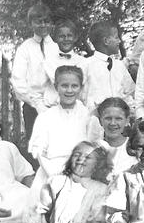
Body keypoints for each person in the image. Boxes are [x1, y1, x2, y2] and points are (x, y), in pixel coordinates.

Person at [27, 65, 94, 202]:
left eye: (74, 86)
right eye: (64, 86)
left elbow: (94, 147)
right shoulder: (46, 117)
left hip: (81, 171)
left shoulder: (87, 116)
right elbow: (39, 152)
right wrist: (54, 175)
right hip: (52, 172)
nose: (69, 90)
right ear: (56, 87)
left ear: (81, 88)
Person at [10, 3, 58, 136]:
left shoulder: (57, 47)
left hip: (56, 105)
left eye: (46, 21)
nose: (43, 25)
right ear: (31, 24)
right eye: (38, 22)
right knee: (37, 147)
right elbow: (18, 80)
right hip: (33, 106)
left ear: (51, 23)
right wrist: (36, 103)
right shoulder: (25, 48)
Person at [84, 20, 135, 113]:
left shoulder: (119, 66)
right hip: (95, 118)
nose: (119, 41)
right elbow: (81, 95)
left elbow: (130, 91)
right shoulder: (86, 65)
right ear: (106, 41)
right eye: (116, 37)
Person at [86, 97, 137, 183]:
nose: (113, 123)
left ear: (127, 121)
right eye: (108, 118)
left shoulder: (134, 147)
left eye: (118, 118)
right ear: (100, 121)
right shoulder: (93, 149)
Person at [43, 19, 89, 107]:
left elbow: (84, 89)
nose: (66, 39)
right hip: (53, 108)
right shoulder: (48, 62)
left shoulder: (83, 62)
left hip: (76, 109)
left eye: (69, 36)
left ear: (75, 37)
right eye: (62, 36)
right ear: (55, 38)